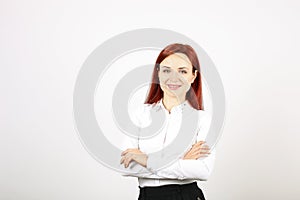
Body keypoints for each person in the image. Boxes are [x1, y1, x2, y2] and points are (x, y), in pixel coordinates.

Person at [120, 43, 216, 200]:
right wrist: (182, 162)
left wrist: (146, 159)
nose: (174, 78)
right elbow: (124, 166)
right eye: (166, 70)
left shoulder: (202, 120)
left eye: (182, 71)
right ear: (158, 73)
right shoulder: (140, 115)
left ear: (193, 76)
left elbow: (203, 170)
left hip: (186, 196)